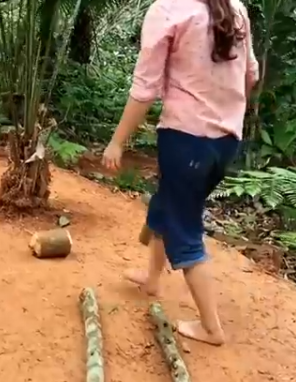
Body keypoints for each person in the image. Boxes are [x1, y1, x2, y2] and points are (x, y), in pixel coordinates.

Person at [102, 0, 259, 346]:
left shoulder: (168, 9)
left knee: (183, 226)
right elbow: (251, 75)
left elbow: (145, 89)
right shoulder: (235, 6)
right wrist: (226, 114)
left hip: (186, 140)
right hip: (226, 141)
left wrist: (117, 142)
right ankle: (152, 278)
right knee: (167, 203)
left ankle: (211, 327)